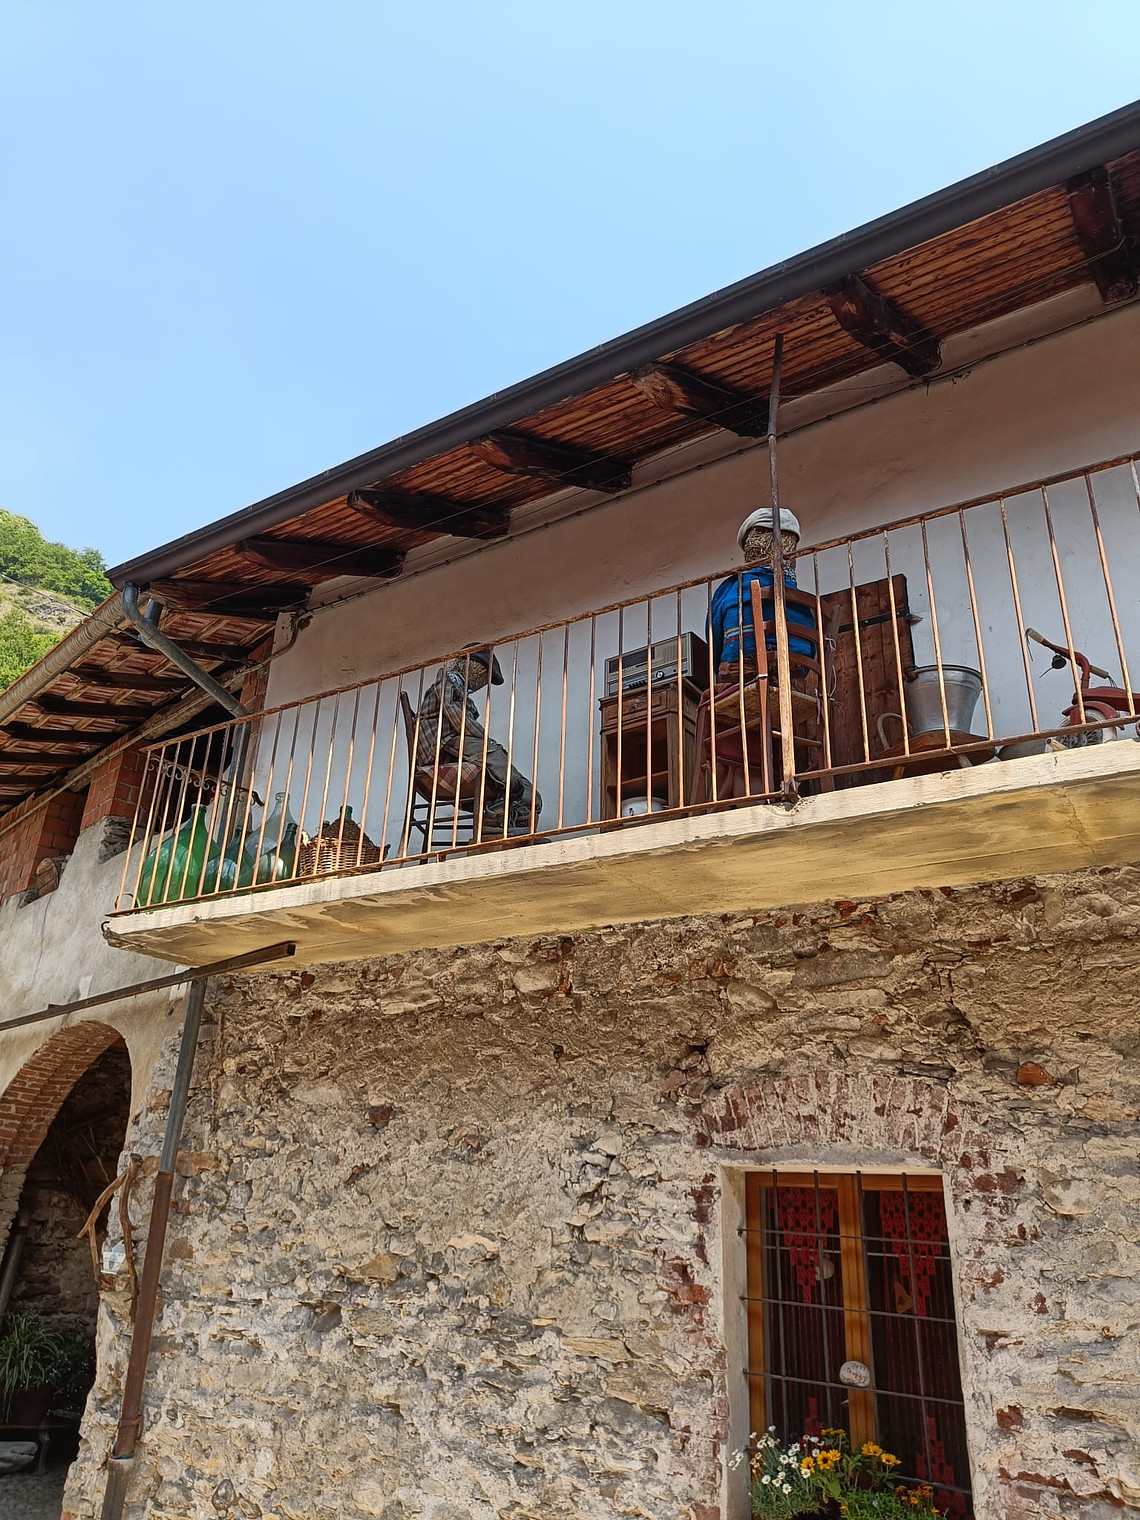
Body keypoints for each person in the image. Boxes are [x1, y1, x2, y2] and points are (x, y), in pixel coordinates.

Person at [415, 645, 542, 836]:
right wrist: (483, 736)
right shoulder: (446, 681)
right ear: (467, 664)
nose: (482, 680)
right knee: (492, 751)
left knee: (497, 754)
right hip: (441, 744)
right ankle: (510, 800)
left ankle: (523, 804)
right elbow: (454, 714)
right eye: (482, 673)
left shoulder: (460, 690)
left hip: (454, 743)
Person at [708, 507, 817, 683]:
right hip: (791, 671)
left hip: (741, 668)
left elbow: (714, 639)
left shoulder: (731, 588)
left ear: (750, 546)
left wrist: (718, 671)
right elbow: (810, 650)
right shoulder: (800, 599)